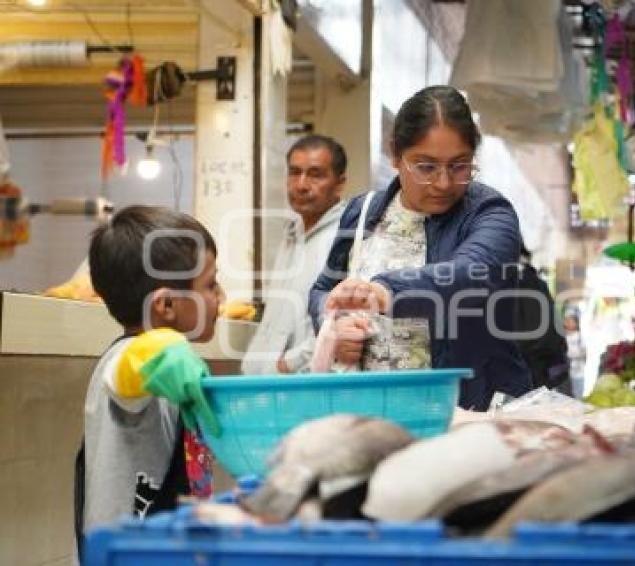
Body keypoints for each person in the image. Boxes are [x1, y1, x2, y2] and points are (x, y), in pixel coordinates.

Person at [308, 85, 532, 410]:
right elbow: (324, 290)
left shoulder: (489, 213)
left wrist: (383, 292)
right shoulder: (361, 212)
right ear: (395, 155)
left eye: (459, 166)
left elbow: (471, 276)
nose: (443, 183)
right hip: (370, 416)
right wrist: (335, 327)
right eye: (426, 167)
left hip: (462, 418)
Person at [76, 206, 224, 558]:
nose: (221, 297)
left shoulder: (169, 368)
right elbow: (129, 370)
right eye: (211, 285)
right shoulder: (129, 360)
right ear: (166, 305)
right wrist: (163, 345)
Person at [241, 134, 348, 374]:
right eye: (294, 172)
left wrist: (289, 364)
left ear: (339, 183)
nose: (301, 184)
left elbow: (343, 321)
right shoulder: (291, 235)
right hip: (265, 384)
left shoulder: (345, 238)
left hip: (302, 385)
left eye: (315, 174)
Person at [563, 309, 586, 397]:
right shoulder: (562, 336)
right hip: (565, 373)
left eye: (571, 320)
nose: (568, 322)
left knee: (578, 395)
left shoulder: (580, 337)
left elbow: (584, 353)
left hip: (578, 372)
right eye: (566, 320)